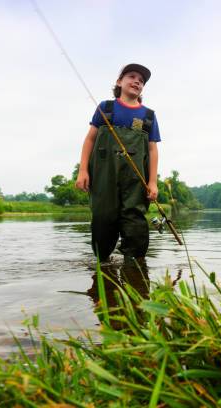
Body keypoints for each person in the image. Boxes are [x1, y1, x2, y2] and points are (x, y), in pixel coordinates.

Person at [75, 63, 161, 265]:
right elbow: (89, 140)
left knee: (135, 224)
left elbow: (152, 150)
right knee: (103, 221)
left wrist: (153, 182)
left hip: (135, 182)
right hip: (104, 178)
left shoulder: (148, 116)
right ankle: (103, 272)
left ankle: (135, 272)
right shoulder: (106, 108)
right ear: (119, 82)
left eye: (141, 80)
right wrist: (83, 170)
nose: (137, 81)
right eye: (131, 76)